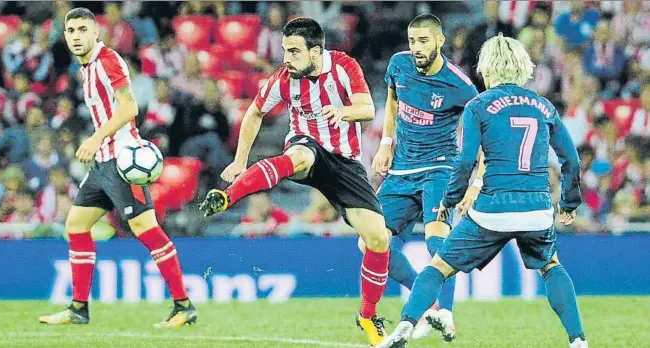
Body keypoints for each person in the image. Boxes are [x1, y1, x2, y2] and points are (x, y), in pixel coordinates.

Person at [377, 34, 587, 348]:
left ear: (487, 69)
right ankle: (578, 340)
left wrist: (450, 199)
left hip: (493, 209)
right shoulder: (543, 106)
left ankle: (404, 329)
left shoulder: (479, 105)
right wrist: (569, 203)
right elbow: (571, 159)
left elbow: (464, 161)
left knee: (437, 268)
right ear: (522, 68)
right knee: (551, 266)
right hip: (537, 208)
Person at [198, 17, 392, 346]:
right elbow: (255, 112)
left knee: (378, 239)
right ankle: (230, 195)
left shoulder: (344, 66)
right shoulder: (285, 79)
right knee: (302, 155)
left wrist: (342, 112)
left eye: (293, 51)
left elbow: (366, 107)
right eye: (285, 50)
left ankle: (368, 316)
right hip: (306, 145)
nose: (286, 58)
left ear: (316, 51)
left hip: (345, 162)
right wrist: (240, 160)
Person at [38, 7, 196, 328]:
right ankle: (78, 308)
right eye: (72, 31)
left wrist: (96, 138)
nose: (78, 36)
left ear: (96, 33)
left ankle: (183, 305)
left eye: (84, 30)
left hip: (124, 160)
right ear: (66, 36)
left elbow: (130, 107)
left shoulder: (108, 60)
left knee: (147, 230)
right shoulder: (86, 68)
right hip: (102, 164)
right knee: (77, 224)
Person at [370, 13, 481, 342]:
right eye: (412, 41)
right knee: (370, 243)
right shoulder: (398, 65)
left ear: (440, 41)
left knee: (437, 242)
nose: (416, 48)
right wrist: (386, 144)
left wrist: (474, 183)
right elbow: (392, 99)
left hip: (439, 169)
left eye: (423, 41)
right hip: (401, 169)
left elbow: (485, 132)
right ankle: (428, 296)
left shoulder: (460, 86)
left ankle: (445, 313)